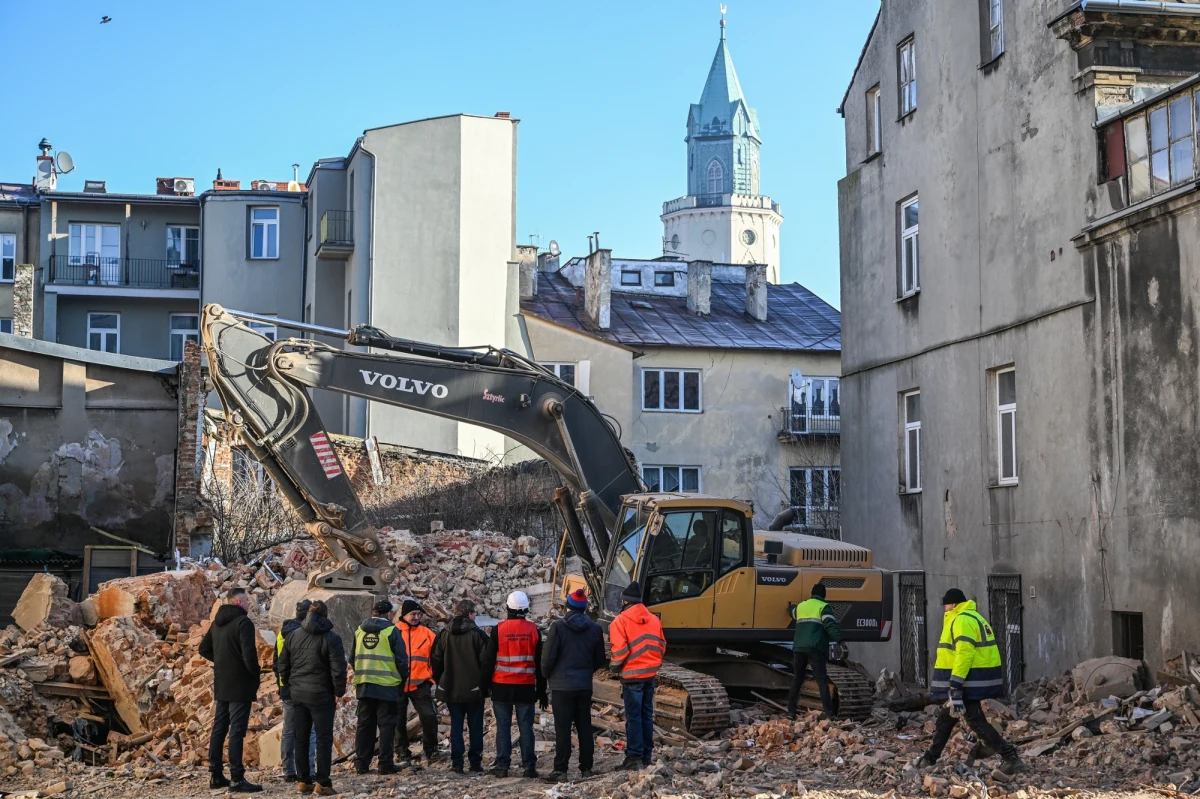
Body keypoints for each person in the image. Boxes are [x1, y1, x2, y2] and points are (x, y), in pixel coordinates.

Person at [915, 588, 1028, 775]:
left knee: (976, 721)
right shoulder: (974, 617)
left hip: (968, 680)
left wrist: (955, 682)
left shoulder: (962, 620)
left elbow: (964, 653)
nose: (945, 609)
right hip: (974, 678)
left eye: (946, 605)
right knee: (947, 717)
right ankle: (929, 758)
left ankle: (1011, 757)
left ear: (953, 604)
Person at [278, 600, 348, 796]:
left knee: (301, 737)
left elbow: (282, 663)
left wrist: (289, 683)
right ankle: (323, 782)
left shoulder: (293, 635)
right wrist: (339, 691)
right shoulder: (332, 638)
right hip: (321, 695)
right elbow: (338, 669)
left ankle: (303, 781)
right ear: (326, 616)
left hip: (298, 694)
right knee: (323, 739)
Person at [200, 587, 264, 793]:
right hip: (240, 684)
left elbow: (204, 649)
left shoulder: (217, 623)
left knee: (219, 728)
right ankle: (237, 777)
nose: (248, 604)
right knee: (237, 730)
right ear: (238, 602)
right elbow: (249, 655)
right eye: (246, 600)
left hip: (222, 682)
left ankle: (216, 775)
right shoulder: (243, 622)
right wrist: (255, 674)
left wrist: (221, 662)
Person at [541, 587, 606, 781]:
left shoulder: (558, 627)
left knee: (563, 729)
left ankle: (561, 770)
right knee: (584, 726)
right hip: (583, 685)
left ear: (567, 607)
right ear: (585, 608)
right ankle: (586, 768)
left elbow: (548, 657)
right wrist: (586, 672)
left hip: (561, 686)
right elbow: (600, 659)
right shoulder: (595, 629)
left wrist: (547, 676)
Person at [482, 591, 547, 778]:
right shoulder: (533, 630)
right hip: (525, 686)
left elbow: (487, 662)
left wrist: (484, 686)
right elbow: (540, 663)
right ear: (526, 609)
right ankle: (529, 767)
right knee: (526, 726)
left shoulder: (498, 629)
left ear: (507, 608)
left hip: (501, 687)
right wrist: (541, 690)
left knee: (503, 727)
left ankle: (502, 766)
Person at [608, 581, 666, 772]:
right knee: (646, 715)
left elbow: (620, 651)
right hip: (650, 674)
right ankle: (646, 756)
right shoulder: (654, 620)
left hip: (632, 677)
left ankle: (634, 757)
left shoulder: (620, 621)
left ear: (624, 601)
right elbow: (662, 645)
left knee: (633, 718)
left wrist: (614, 668)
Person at [351, 599, 409, 776]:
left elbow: (351, 658)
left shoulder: (360, 630)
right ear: (389, 614)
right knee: (386, 726)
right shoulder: (392, 631)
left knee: (365, 725)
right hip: (387, 686)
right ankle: (385, 764)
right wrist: (401, 680)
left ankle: (361, 763)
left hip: (365, 685)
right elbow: (401, 660)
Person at [431, 599, 489, 774]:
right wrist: (484, 686)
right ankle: (475, 763)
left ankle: (457, 763)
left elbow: (435, 661)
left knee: (456, 725)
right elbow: (486, 663)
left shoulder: (443, 634)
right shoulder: (478, 635)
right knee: (476, 726)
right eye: (475, 613)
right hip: (474, 690)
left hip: (451, 689)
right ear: (470, 614)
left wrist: (442, 680)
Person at [274, 600, 317, 783]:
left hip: (287, 686)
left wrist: (281, 683)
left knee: (289, 730)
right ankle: (308, 770)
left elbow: (276, 662)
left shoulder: (281, 634)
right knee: (310, 730)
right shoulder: (307, 634)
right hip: (306, 686)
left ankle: (288, 770)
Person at [394, 600, 439, 768]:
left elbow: (436, 657)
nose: (416, 617)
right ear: (403, 615)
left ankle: (431, 750)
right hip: (398, 683)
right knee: (398, 719)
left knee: (429, 715)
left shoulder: (427, 633)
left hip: (421, 683)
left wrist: (432, 677)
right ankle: (402, 752)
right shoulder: (394, 632)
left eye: (418, 614)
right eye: (412, 614)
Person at [785, 582, 840, 720]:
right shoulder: (824, 607)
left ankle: (791, 712)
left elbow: (791, 611)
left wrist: (790, 606)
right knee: (821, 680)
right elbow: (831, 626)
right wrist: (841, 641)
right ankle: (829, 713)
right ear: (824, 595)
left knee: (797, 678)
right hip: (815, 649)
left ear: (811, 593)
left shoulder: (801, 606)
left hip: (799, 648)